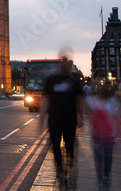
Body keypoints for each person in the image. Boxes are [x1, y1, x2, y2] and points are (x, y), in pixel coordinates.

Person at [40, 50, 84, 185]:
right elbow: (45, 100)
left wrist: (81, 117)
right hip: (54, 119)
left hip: (70, 119)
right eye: (62, 62)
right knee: (55, 146)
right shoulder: (51, 81)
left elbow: (80, 100)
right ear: (59, 63)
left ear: (69, 64)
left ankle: (70, 164)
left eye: (67, 62)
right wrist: (41, 119)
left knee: (70, 145)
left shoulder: (74, 82)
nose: (64, 64)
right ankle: (59, 167)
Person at [86, 85, 117, 190]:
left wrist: (92, 86)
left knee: (99, 159)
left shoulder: (93, 101)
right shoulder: (112, 102)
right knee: (108, 157)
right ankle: (106, 177)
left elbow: (87, 98)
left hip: (97, 135)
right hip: (110, 135)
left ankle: (100, 180)